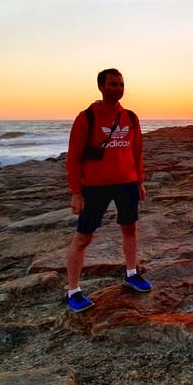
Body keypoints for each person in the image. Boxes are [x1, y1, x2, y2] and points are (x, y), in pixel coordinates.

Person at [64, 68, 151, 312]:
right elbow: (73, 158)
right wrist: (76, 192)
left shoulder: (131, 117)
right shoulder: (87, 117)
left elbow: (137, 152)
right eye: (113, 84)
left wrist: (140, 181)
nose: (118, 88)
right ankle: (73, 290)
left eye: (121, 84)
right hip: (95, 187)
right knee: (83, 237)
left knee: (130, 229)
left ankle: (131, 273)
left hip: (127, 184)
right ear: (101, 87)